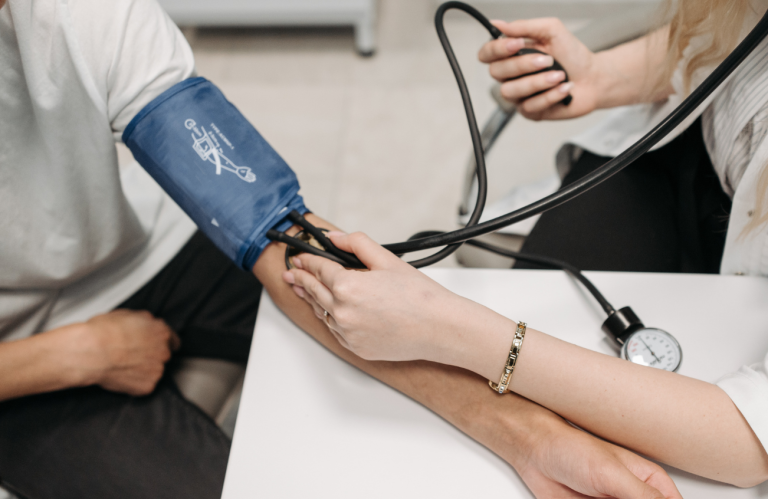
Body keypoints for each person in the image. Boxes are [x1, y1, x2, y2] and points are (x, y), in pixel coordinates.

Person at [0, 0, 684, 498]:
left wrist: (529, 433)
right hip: (21, 363)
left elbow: (274, 231)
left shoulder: (74, 13)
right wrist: (76, 353)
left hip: (145, 248)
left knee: (352, 296)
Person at [282, 0, 768, 490]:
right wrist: (601, 76)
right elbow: (728, 40)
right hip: (686, 159)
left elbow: (751, 438)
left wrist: (444, 322)